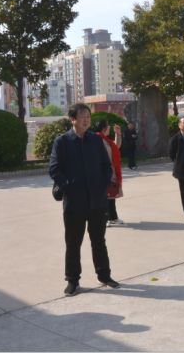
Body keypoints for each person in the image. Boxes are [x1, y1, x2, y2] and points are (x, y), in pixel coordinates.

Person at [49, 103, 120, 296]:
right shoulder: (62, 142)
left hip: (97, 200)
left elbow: (106, 166)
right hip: (75, 202)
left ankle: (104, 275)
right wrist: (69, 185)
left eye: (88, 116)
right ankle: (72, 280)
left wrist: (103, 184)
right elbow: (54, 169)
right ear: (73, 119)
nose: (86, 120)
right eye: (82, 117)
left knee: (99, 240)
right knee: (73, 243)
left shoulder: (96, 140)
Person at [95, 120, 124, 226]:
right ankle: (109, 218)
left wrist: (117, 134)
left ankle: (111, 218)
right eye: (108, 126)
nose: (109, 128)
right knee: (108, 196)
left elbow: (115, 147)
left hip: (109, 171)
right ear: (104, 129)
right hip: (105, 172)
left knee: (110, 196)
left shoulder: (105, 139)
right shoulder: (98, 140)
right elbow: (110, 152)